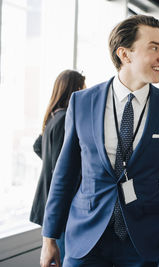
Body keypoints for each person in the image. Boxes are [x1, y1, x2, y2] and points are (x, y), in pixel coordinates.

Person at [40, 15, 159, 267]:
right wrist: (49, 237)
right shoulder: (82, 102)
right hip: (86, 238)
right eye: (154, 47)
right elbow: (64, 173)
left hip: (142, 240)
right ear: (125, 54)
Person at [31, 69, 86, 265]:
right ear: (75, 90)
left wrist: (49, 164)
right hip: (62, 204)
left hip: (47, 197)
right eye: (83, 87)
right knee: (61, 256)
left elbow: (37, 146)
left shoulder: (53, 116)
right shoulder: (65, 119)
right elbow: (63, 165)